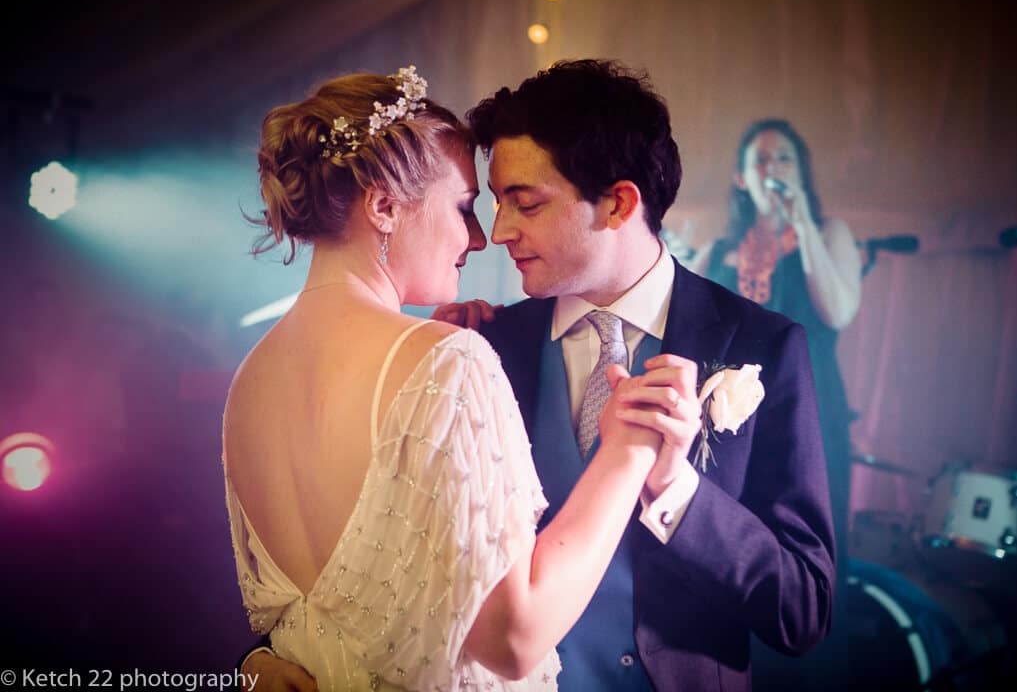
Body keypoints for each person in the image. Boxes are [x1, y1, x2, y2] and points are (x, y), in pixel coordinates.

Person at [247, 60, 836, 692]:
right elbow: (362, 548)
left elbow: (803, 611)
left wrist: (674, 488)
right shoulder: (476, 347)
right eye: (491, 203)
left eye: (524, 204)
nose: (496, 234)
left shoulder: (763, 346)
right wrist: (269, 655)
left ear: (618, 203)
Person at [697, 118, 861, 688]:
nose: (773, 170)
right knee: (732, 535)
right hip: (727, 420)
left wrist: (803, 228)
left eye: (784, 159)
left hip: (812, 410)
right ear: (742, 178)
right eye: (761, 160)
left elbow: (839, 312)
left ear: (802, 172)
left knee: (806, 537)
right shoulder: (719, 248)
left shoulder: (831, 232)